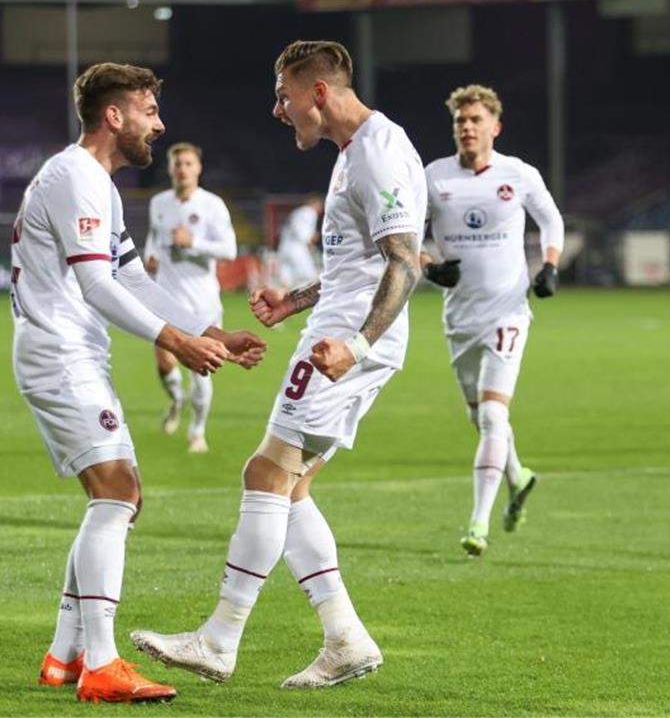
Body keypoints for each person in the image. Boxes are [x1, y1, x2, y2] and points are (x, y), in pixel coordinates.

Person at [130, 40, 426, 689]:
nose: (277, 109)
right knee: (290, 485)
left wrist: (359, 345)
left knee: (266, 471)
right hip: (341, 330)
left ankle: (219, 639)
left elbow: (407, 261)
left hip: (344, 342)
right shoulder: (358, 153)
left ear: (318, 92)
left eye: (284, 95)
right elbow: (362, 264)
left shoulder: (376, 151)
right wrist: (291, 301)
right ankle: (345, 638)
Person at [11, 62, 267, 704]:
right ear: (114, 116)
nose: (161, 123)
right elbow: (97, 286)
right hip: (59, 353)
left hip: (73, 354)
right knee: (118, 492)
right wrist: (175, 342)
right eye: (150, 110)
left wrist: (209, 328)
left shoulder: (96, 183)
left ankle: (64, 655)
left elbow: (132, 279)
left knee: (119, 495)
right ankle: (100, 663)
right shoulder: (75, 176)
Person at [420, 84, 564, 557]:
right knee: (478, 415)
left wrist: (550, 264)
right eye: (460, 121)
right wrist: (428, 266)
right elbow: (403, 234)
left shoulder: (517, 174)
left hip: (508, 310)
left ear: (494, 127)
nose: (466, 127)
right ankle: (519, 475)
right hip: (459, 315)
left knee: (491, 413)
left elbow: (551, 219)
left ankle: (477, 524)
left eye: (475, 120)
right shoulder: (434, 176)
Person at [143, 142, 237, 453]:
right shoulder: (159, 203)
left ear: (198, 169)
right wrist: (150, 256)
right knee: (162, 362)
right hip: (166, 299)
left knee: (201, 371)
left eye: (188, 163)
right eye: (177, 164)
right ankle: (176, 400)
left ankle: (197, 430)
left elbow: (229, 250)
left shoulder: (213, 205)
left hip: (202, 304)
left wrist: (192, 242)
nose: (182, 169)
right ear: (170, 169)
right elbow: (154, 238)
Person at [277, 194, 323, 288]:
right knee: (309, 276)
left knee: (287, 280)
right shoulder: (310, 212)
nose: (320, 209)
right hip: (297, 248)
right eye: (320, 206)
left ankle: (282, 300)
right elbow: (303, 233)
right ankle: (304, 300)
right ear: (315, 204)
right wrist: (312, 239)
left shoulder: (296, 211)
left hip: (284, 247)